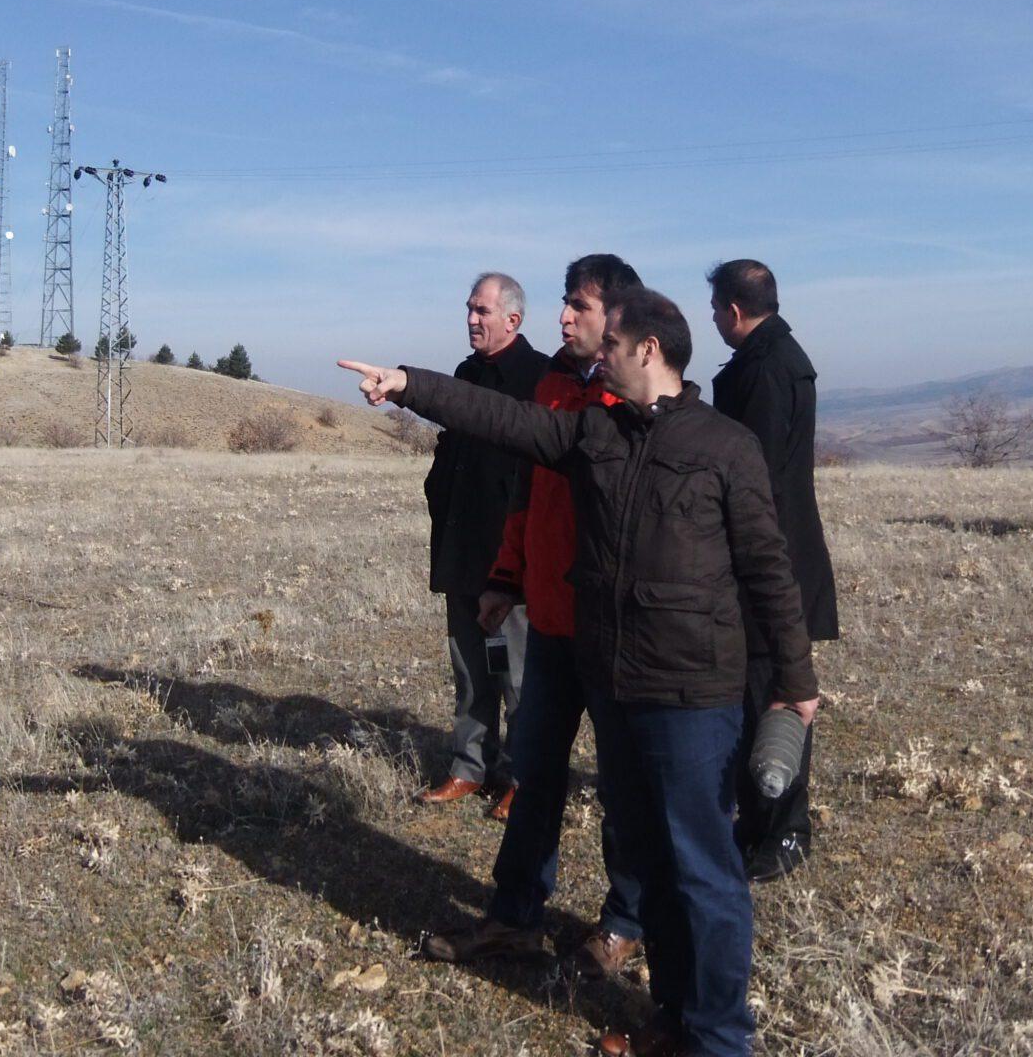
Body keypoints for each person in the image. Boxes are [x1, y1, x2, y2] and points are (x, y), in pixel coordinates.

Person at [342, 287, 818, 1057]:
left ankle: (721, 1039)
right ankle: (673, 1016)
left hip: (694, 694)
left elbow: (769, 570)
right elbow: (502, 418)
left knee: (703, 871)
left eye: (612, 345)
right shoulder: (595, 433)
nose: (599, 354)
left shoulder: (724, 447)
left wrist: (795, 684)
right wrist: (410, 384)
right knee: (652, 860)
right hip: (614, 682)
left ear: (649, 351)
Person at [416, 253, 648, 978]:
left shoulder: (634, 395)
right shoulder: (552, 384)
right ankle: (514, 916)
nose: (564, 318)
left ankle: (626, 921)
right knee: (537, 775)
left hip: (613, 631)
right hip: (548, 618)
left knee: (623, 787)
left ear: (616, 314)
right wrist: (506, 576)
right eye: (563, 303)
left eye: (577, 305)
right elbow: (529, 494)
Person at [706, 258, 839, 883]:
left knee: (776, 695)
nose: (713, 321)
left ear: (734, 309)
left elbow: (749, 475)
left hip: (771, 557)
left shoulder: (763, 372)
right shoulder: (780, 358)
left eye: (714, 311)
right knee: (760, 689)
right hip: (778, 550)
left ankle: (783, 832)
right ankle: (760, 822)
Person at [417, 272, 549, 807]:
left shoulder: (540, 378)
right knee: (470, 669)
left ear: (512, 320)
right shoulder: (465, 373)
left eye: (482, 311)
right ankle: (470, 766)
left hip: (512, 556)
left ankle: (522, 777)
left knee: (517, 672)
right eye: (469, 309)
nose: (471, 319)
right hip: (462, 546)